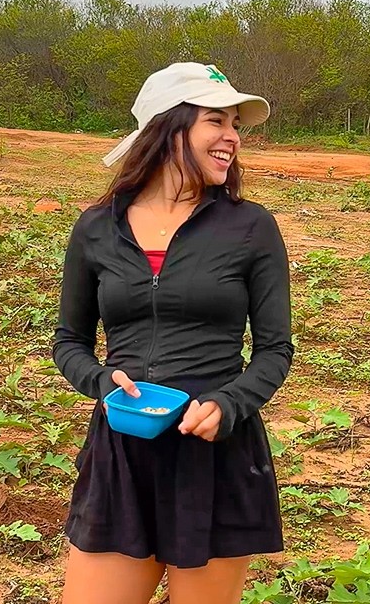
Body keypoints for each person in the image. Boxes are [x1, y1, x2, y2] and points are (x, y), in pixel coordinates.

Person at [53, 62, 294, 604]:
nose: (232, 136)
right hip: (123, 451)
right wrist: (100, 381)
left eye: (235, 124)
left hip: (213, 454)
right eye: (216, 121)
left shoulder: (251, 227)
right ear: (169, 128)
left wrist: (229, 404)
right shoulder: (97, 227)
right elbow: (68, 339)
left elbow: (275, 349)